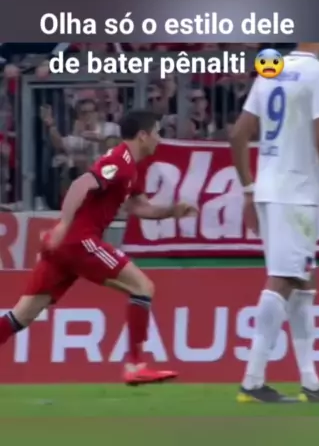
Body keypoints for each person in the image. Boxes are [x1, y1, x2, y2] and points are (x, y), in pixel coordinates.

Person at [0, 110, 197, 385]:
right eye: (157, 132)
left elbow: (139, 207)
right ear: (143, 135)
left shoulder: (133, 167)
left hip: (65, 249)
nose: (160, 139)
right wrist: (63, 225)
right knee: (142, 288)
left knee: (21, 316)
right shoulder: (119, 161)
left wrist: (172, 211)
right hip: (80, 241)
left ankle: (136, 365)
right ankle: (135, 365)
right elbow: (81, 184)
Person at [230, 43, 319, 403]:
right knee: (284, 279)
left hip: (268, 189)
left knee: (304, 282)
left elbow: (238, 134)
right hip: (296, 192)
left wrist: (248, 190)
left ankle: (310, 382)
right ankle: (252, 381)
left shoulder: (271, 70)